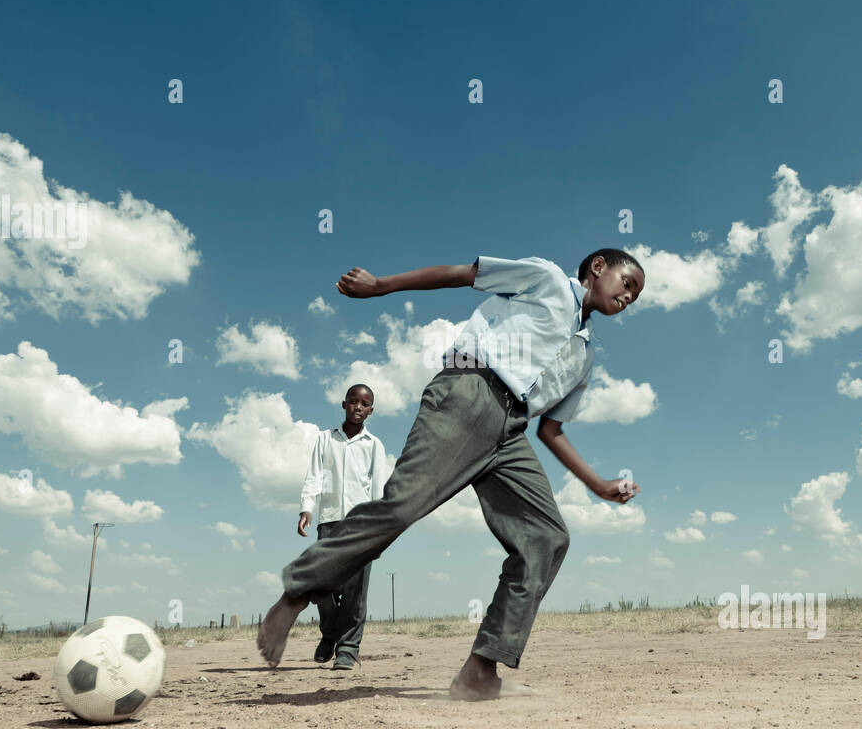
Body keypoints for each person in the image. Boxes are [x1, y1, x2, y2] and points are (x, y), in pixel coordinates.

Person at [258, 249, 645, 700]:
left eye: (635, 294)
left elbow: (552, 429)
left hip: (511, 430)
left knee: (546, 537)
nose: (629, 295)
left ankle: (480, 668)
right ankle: (298, 591)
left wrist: (597, 484)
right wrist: (381, 285)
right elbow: (463, 274)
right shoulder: (547, 280)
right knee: (402, 506)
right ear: (598, 267)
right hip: (469, 389)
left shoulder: (585, 355)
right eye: (627, 281)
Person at [297, 383, 388, 670]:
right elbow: (314, 476)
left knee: (355, 589)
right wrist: (306, 508)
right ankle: (330, 634)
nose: (358, 408)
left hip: (361, 524)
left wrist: (379, 529)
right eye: (353, 402)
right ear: (343, 404)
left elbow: (378, 488)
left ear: (370, 410)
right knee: (322, 585)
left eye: (364, 404)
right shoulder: (325, 439)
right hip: (329, 521)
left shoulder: (374, 445)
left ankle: (348, 649)